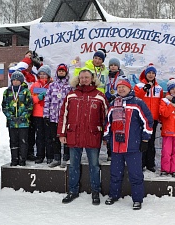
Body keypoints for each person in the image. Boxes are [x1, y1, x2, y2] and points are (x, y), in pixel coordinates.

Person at [58, 69, 108, 205]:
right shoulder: (71, 95)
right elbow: (63, 115)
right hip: (74, 135)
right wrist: (62, 133)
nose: (84, 80)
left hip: (93, 135)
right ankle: (72, 191)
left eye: (86, 77)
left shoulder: (100, 96)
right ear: (78, 79)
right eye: (82, 78)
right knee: (74, 165)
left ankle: (95, 191)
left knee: (94, 165)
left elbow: (106, 118)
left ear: (92, 79)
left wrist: (106, 136)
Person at [103, 78, 153, 210]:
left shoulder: (138, 103)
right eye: (118, 87)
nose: (121, 89)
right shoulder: (114, 103)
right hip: (116, 146)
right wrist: (107, 137)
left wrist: (145, 139)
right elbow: (107, 122)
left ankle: (137, 199)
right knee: (115, 173)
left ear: (129, 88)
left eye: (123, 87)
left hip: (133, 146)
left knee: (135, 174)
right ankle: (114, 195)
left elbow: (147, 122)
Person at [134, 63, 163, 172]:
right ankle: (140, 163)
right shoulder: (139, 86)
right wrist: (145, 89)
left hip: (153, 118)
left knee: (150, 141)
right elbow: (136, 99)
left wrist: (160, 117)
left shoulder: (159, 88)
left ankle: (150, 163)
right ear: (145, 74)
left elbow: (160, 103)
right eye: (149, 73)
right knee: (142, 140)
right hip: (141, 118)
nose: (151, 75)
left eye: (153, 73)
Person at [44, 64, 72, 168]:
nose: (61, 72)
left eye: (63, 71)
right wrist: (46, 115)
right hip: (53, 117)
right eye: (59, 71)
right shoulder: (52, 86)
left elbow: (71, 102)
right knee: (54, 138)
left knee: (65, 138)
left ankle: (65, 158)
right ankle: (56, 158)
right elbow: (47, 100)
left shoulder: (69, 87)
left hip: (65, 118)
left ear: (66, 73)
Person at [2, 71, 33, 166]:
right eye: (13, 80)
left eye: (17, 80)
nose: (15, 82)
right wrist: (10, 117)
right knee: (13, 141)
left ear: (21, 81)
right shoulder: (7, 92)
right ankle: (14, 160)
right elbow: (4, 106)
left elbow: (30, 106)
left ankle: (22, 160)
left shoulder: (25, 91)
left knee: (23, 141)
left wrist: (23, 117)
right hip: (12, 123)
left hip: (23, 122)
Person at [104, 57, 127, 161]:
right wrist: (106, 95)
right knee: (108, 127)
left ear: (118, 66)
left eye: (115, 65)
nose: (113, 67)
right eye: (111, 65)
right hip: (108, 104)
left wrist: (117, 95)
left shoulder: (122, 76)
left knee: (118, 127)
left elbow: (125, 88)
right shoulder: (105, 76)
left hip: (118, 104)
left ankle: (119, 151)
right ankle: (110, 152)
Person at [30, 65, 53, 164]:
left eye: (45, 74)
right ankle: (40, 155)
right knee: (39, 136)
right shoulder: (35, 85)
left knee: (49, 136)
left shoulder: (52, 85)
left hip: (48, 114)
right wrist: (38, 98)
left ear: (48, 75)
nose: (43, 76)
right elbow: (30, 99)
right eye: (41, 74)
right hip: (37, 114)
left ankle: (50, 156)